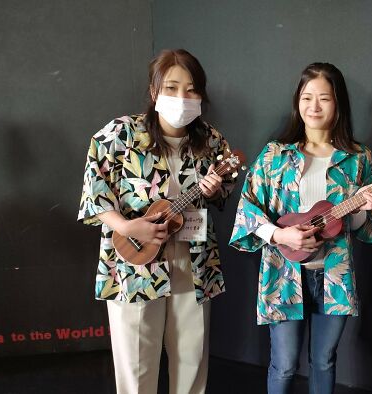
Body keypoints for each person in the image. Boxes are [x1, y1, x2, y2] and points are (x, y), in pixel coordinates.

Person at [77, 49, 236, 394]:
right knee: (136, 365)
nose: (182, 97)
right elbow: (94, 191)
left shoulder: (212, 141)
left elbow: (223, 197)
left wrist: (213, 189)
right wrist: (125, 226)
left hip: (194, 263)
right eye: (172, 87)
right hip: (134, 263)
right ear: (154, 92)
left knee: (191, 359)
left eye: (191, 89)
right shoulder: (119, 134)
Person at [229, 62, 372, 394]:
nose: (314, 107)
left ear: (338, 103)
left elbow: (365, 227)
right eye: (307, 97)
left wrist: (363, 208)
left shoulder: (358, 159)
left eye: (324, 98)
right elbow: (247, 206)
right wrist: (279, 234)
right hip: (283, 274)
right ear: (297, 102)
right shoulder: (275, 155)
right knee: (284, 364)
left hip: (333, 274)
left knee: (325, 361)